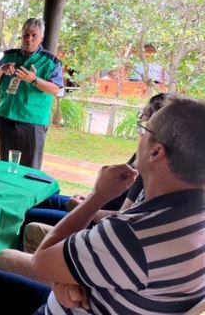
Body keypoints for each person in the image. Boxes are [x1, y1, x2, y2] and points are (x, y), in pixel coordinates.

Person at [0, 95, 205, 315]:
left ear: (156, 152)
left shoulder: (132, 234)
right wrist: (64, 281)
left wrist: (98, 196)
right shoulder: (190, 220)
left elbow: (40, 263)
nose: (139, 137)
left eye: (144, 129)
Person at [12, 92, 170, 254]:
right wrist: (90, 198)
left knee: (30, 217)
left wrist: (90, 205)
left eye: (143, 118)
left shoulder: (148, 166)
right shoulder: (143, 155)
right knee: (40, 201)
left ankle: (24, 261)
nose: (140, 125)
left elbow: (122, 217)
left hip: (97, 221)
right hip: (100, 207)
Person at [0, 18, 63, 169]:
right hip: (5, 118)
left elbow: (56, 89)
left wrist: (34, 80)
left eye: (33, 35)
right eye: (25, 35)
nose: (29, 39)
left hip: (32, 123)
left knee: (29, 169)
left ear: (41, 38)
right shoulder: (9, 56)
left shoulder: (50, 61)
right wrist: (1, 69)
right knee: (5, 166)